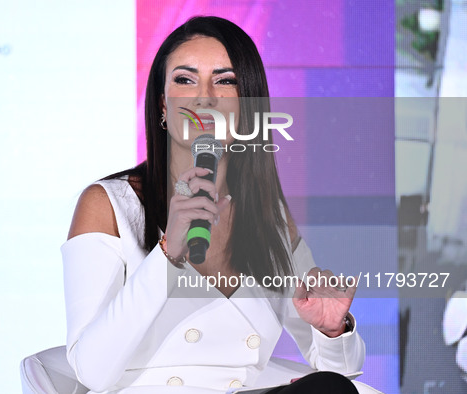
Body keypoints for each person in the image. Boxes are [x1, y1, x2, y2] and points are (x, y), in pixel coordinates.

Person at [62, 16, 365, 394]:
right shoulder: (108, 205)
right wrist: (167, 255)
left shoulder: (269, 217)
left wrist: (331, 329)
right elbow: (90, 371)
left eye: (225, 81)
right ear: (162, 103)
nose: (204, 97)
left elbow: (342, 370)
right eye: (185, 80)